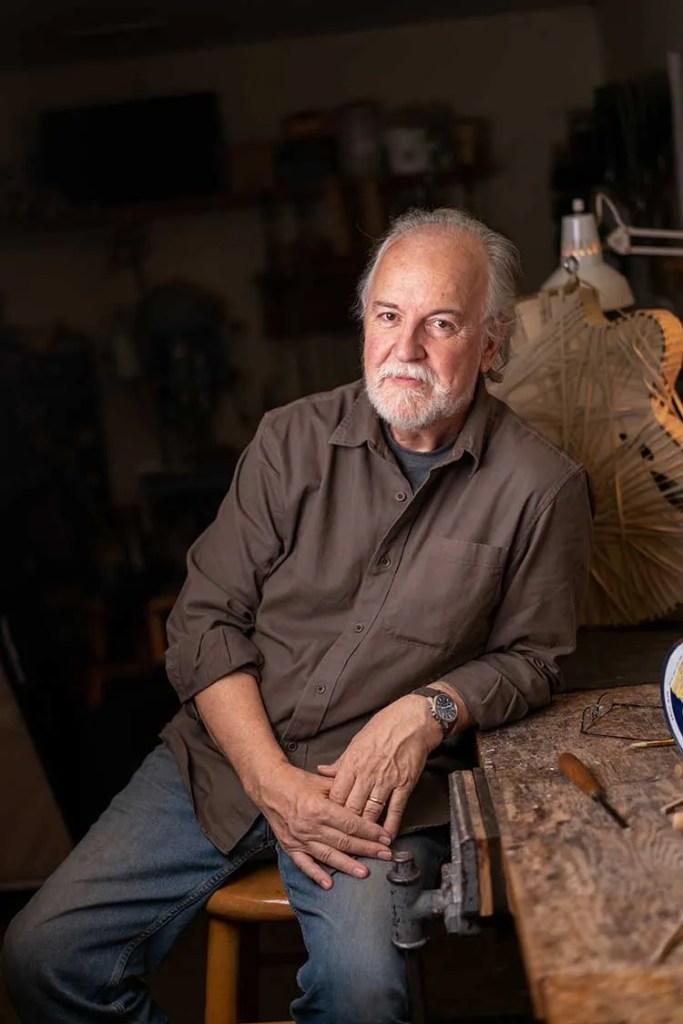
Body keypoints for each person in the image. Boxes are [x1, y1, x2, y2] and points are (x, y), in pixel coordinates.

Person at [3, 208, 593, 1024]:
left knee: (364, 999)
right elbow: (204, 622)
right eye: (387, 316)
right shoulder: (289, 441)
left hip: (374, 796)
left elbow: (533, 657)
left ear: (490, 344)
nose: (405, 348)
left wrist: (431, 709)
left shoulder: (542, 487)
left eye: (441, 324)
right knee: (43, 956)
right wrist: (270, 780)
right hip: (221, 762)